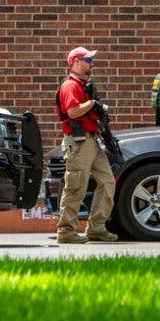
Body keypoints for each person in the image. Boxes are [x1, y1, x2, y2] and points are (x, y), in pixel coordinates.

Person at [53, 46, 118, 244]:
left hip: (92, 141)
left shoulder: (84, 85)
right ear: (75, 62)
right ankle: (66, 231)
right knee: (76, 187)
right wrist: (92, 104)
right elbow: (72, 111)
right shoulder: (70, 86)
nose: (91, 63)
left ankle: (97, 228)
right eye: (87, 60)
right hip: (78, 142)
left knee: (107, 182)